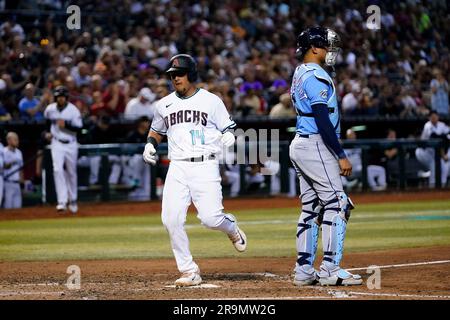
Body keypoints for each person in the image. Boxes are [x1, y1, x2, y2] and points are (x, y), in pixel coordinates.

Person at [142, 54, 247, 287]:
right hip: (177, 165)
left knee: (210, 219)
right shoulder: (164, 104)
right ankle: (189, 270)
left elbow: (229, 127)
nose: (175, 78)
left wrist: (230, 135)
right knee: (170, 219)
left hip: (205, 164)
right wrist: (150, 144)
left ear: (191, 74)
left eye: (179, 74)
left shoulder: (211, 101)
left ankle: (230, 226)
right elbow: (156, 130)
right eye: (172, 75)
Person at [289, 27, 362, 286]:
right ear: (315, 48)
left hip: (301, 143)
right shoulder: (316, 76)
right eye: (328, 46)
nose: (332, 51)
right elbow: (322, 119)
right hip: (316, 144)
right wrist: (340, 154)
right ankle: (330, 268)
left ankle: (304, 270)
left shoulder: (300, 72)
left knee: (310, 209)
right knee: (337, 203)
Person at [44, 86, 83, 213]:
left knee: (71, 172)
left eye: (62, 96)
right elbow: (46, 124)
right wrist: (46, 134)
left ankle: (73, 200)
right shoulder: (50, 109)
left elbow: (80, 130)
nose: (60, 99)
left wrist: (66, 125)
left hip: (71, 143)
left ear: (66, 97)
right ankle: (62, 201)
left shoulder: (73, 110)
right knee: (57, 169)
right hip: (56, 143)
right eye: (58, 96)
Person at [415, 111, 450, 187]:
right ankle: (432, 187)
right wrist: (444, 137)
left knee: (443, 167)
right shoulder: (427, 125)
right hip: (424, 151)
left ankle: (441, 186)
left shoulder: (442, 125)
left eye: (435, 116)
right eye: (432, 116)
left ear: (438, 117)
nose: (434, 118)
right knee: (434, 166)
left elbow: (447, 134)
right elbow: (434, 136)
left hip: (436, 152)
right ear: (429, 118)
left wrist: (445, 137)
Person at [2, 132, 23, 208]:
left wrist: (22, 182)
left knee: (18, 207)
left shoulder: (19, 152)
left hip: (17, 183)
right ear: (9, 140)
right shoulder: (3, 151)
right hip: (7, 182)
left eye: (17, 139)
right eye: (15, 139)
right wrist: (11, 163)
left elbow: (21, 169)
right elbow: (2, 166)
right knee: (8, 207)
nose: (17, 141)